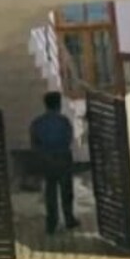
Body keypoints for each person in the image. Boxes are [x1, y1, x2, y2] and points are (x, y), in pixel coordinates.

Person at [29, 91, 80, 235]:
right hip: (63, 157)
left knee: (50, 192)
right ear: (58, 104)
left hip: (47, 159)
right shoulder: (64, 121)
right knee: (66, 191)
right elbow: (69, 138)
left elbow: (34, 143)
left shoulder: (37, 122)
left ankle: (51, 223)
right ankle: (69, 219)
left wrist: (41, 154)